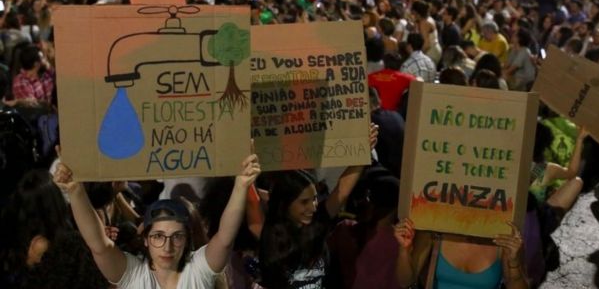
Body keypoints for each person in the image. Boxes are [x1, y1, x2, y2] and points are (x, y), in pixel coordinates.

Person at [54, 149, 261, 289]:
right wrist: (75, 191)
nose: (167, 246)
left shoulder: (197, 270)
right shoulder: (133, 274)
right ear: (145, 238)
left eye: (176, 236)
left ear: (187, 239)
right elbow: (99, 244)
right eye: (158, 236)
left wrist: (242, 185)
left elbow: (225, 237)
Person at [258, 125, 378, 288]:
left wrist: (363, 150)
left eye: (314, 199)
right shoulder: (269, 236)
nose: (313, 207)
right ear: (285, 204)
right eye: (304, 202)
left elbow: (341, 191)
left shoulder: (318, 221)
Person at [394, 219, 528, 289]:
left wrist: (514, 261)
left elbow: (515, 284)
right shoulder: (436, 231)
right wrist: (404, 250)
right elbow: (405, 281)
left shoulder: (503, 238)